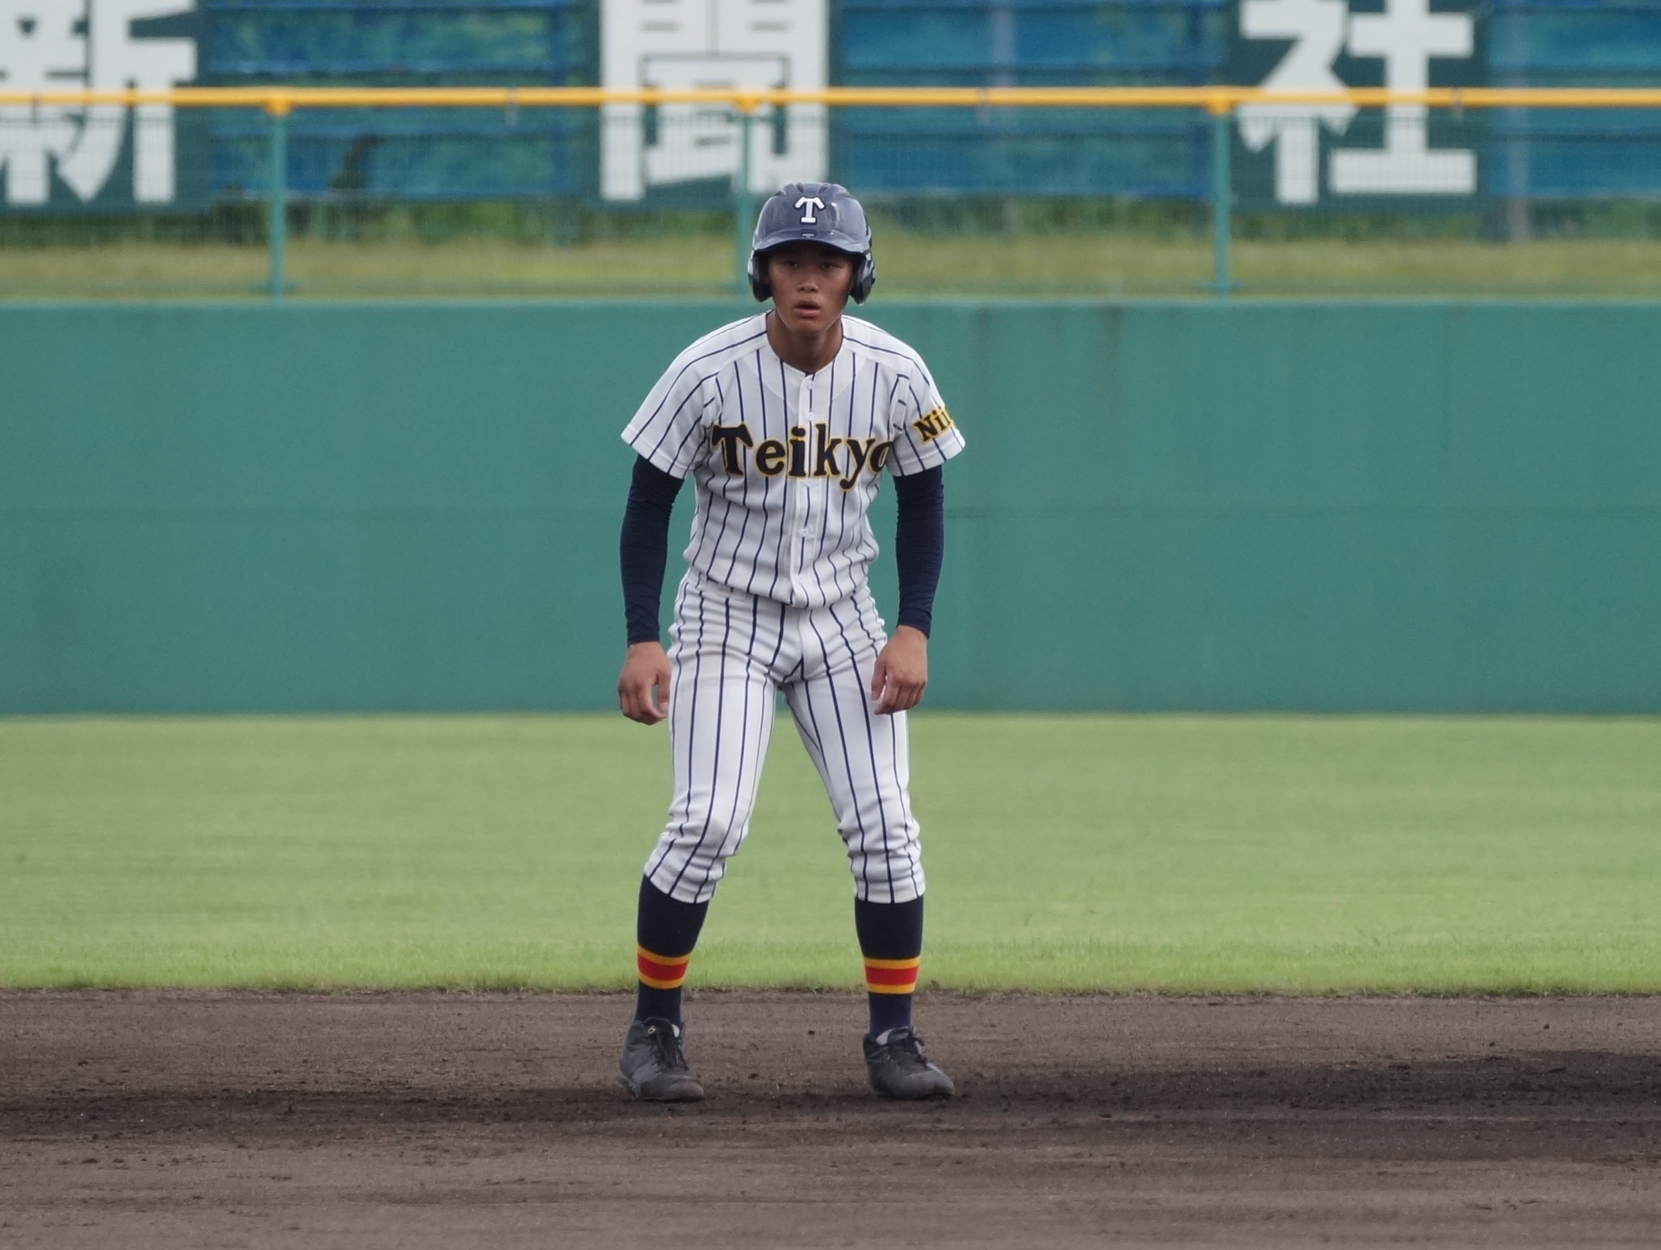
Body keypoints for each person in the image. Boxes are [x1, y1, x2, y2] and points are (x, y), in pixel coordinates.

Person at [614, 181, 966, 1101]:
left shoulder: (896, 372)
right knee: (708, 822)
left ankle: (894, 1038)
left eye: (827, 262)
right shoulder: (705, 369)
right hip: (726, 612)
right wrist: (642, 638)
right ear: (762, 272)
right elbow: (648, 503)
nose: (808, 279)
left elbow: (924, 499)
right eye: (791, 262)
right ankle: (654, 1030)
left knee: (887, 830)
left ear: (857, 274)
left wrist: (913, 626)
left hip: (843, 618)